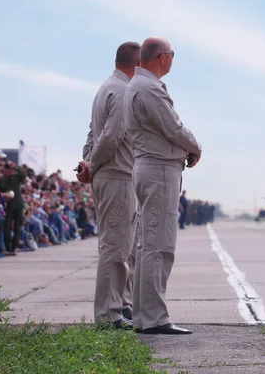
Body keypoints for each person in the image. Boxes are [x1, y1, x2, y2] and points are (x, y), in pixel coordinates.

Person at [123, 36, 202, 335]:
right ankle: (154, 318)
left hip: (149, 166)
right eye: (171, 54)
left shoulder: (138, 85)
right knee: (159, 246)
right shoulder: (149, 88)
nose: (172, 59)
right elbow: (173, 127)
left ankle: (145, 316)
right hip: (159, 169)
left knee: (147, 245)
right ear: (160, 57)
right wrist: (196, 146)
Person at [77, 41, 141, 330]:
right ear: (138, 64)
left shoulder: (106, 87)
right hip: (116, 173)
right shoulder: (123, 90)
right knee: (115, 247)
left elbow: (93, 132)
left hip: (112, 173)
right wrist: (92, 164)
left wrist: (88, 161)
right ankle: (108, 313)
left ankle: (122, 305)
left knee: (125, 247)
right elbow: (112, 136)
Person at [0, 160, 27, 256]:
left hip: (18, 205)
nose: (8, 171)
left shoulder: (16, 178)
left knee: (18, 227)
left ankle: (13, 248)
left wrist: (15, 166)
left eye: (9, 169)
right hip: (8, 206)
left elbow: (23, 175)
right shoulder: (1, 180)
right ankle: (8, 247)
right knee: (7, 227)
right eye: (6, 169)